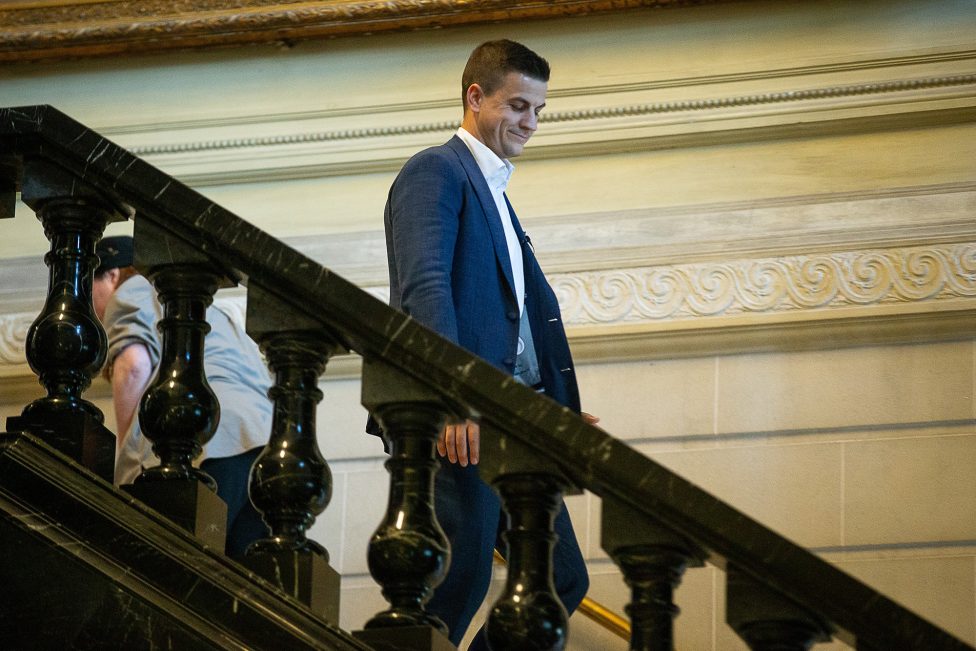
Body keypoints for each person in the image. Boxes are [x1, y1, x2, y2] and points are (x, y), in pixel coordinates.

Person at [378, 39, 593, 649]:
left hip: (512, 418)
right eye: (518, 105)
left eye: (538, 110)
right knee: (457, 582)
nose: (530, 122)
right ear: (475, 97)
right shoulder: (436, 170)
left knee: (559, 579)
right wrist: (453, 399)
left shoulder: (495, 189)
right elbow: (425, 289)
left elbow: (514, 319)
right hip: (463, 420)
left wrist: (553, 404)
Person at [92, 235, 274, 557]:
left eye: (88, 288)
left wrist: (126, 464)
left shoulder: (132, 291)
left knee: (181, 564)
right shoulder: (209, 306)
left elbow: (133, 366)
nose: (90, 305)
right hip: (265, 443)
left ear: (112, 275)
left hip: (216, 439)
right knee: (240, 578)